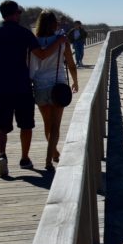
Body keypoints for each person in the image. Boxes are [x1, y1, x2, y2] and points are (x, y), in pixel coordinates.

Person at [0, 0, 65, 177]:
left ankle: (2, 156)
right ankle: (24, 158)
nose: (20, 15)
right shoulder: (24, 33)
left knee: (0, 125)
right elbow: (42, 55)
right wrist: (58, 41)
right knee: (26, 125)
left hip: (1, 87)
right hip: (22, 87)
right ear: (15, 13)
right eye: (19, 12)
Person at [30, 10, 79, 172]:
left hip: (39, 85)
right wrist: (75, 81)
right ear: (54, 24)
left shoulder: (34, 41)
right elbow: (71, 64)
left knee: (47, 123)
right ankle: (48, 160)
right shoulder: (62, 41)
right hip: (57, 84)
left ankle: (54, 152)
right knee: (56, 125)